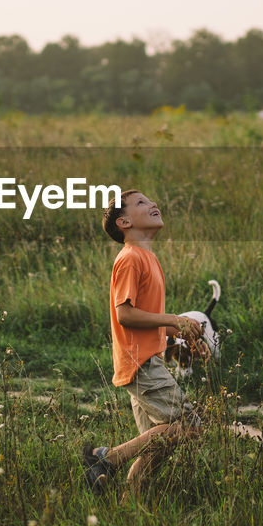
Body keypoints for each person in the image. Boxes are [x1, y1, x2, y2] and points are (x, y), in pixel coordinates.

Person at [81, 189, 207, 495]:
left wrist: (182, 334)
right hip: (141, 363)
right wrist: (174, 319)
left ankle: (132, 502)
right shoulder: (130, 258)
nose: (153, 204)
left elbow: (146, 322)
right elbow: (125, 315)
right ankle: (106, 459)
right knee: (190, 427)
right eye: (141, 203)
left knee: (160, 440)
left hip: (145, 360)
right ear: (124, 222)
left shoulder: (147, 258)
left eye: (151, 200)